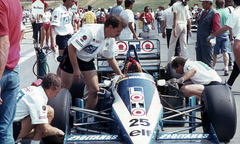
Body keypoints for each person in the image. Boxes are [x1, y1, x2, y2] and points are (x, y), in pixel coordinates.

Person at [59, 15, 127, 114]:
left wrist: (120, 74)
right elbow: (71, 47)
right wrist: (76, 69)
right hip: (72, 56)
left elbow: (110, 58)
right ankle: (62, 114)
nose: (119, 34)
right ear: (110, 27)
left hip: (87, 59)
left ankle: (88, 116)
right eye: (118, 31)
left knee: (95, 90)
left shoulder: (111, 39)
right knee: (64, 90)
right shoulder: (91, 32)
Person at [13, 73, 64, 144]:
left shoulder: (33, 89)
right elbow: (45, 129)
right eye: (56, 92)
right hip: (9, 131)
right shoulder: (38, 98)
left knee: (42, 120)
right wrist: (59, 131)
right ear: (51, 88)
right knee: (48, 113)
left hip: (6, 125)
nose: (56, 96)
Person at [0, 0, 22, 143]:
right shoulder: (16, 2)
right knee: (5, 129)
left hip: (2, 71)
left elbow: (4, 43)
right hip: (13, 68)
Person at [207, 0, 240, 86]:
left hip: (236, 39)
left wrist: (213, 34)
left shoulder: (235, 12)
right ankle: (229, 83)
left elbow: (226, 27)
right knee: (236, 64)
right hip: (231, 36)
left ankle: (228, 84)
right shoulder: (229, 12)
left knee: (216, 53)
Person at [50, 0, 75, 76]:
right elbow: (52, 27)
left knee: (68, 60)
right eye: (72, 1)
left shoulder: (69, 11)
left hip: (69, 37)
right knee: (63, 61)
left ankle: (61, 80)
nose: (73, 3)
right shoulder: (58, 10)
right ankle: (59, 80)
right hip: (62, 38)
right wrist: (52, 42)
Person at [196, 0, 221, 68]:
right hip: (200, 41)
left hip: (207, 42)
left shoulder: (214, 13)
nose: (202, 4)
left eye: (203, 2)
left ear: (208, 3)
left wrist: (211, 39)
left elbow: (217, 29)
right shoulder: (203, 12)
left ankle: (211, 78)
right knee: (199, 62)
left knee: (207, 62)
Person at [212, 0, 230, 76]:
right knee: (225, 52)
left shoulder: (216, 12)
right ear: (224, 4)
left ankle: (213, 67)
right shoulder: (227, 12)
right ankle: (226, 68)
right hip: (226, 33)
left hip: (217, 33)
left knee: (215, 53)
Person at [225, 0, 235, 70]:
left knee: (228, 49)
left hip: (229, 31)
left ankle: (230, 63)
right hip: (235, 31)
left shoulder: (226, 10)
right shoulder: (234, 9)